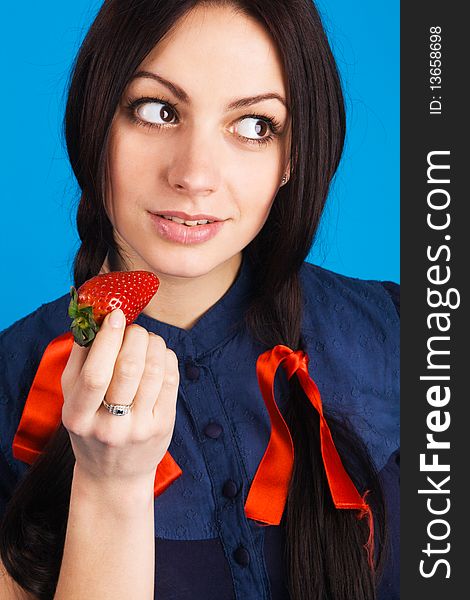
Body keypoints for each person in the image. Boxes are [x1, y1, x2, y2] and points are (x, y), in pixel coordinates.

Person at [0, 1, 399, 599]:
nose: (195, 175)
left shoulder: (401, 331)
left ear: (291, 157)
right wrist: (110, 486)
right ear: (95, 119)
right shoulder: (13, 384)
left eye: (255, 125)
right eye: (157, 111)